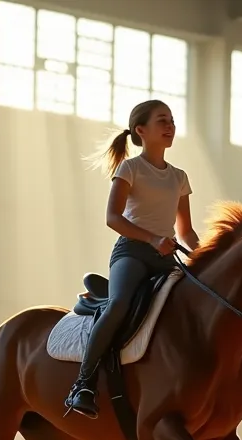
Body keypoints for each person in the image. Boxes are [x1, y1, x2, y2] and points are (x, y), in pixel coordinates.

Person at [65, 100, 201, 419]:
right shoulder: (130, 168)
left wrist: (206, 258)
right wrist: (153, 238)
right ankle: (82, 384)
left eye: (172, 120)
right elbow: (113, 218)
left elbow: (187, 232)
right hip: (132, 252)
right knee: (120, 303)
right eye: (162, 121)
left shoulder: (179, 177)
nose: (170, 126)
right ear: (141, 131)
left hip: (167, 257)